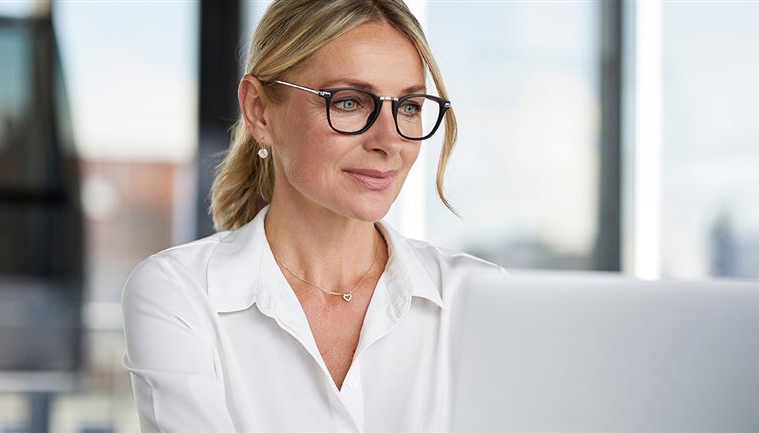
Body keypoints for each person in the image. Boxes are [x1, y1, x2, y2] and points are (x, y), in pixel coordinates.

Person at [121, 1, 504, 431]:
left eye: (410, 107)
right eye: (349, 103)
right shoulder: (182, 293)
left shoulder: (480, 300)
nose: (389, 140)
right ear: (259, 111)